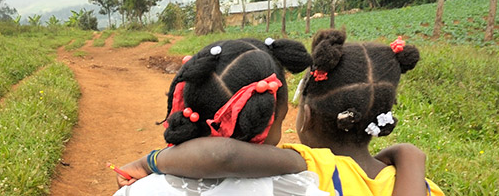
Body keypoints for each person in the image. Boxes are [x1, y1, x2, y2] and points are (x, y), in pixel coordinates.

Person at [114, 31, 441, 196]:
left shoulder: (312, 168)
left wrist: (150, 161)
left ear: (306, 116)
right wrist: (409, 155)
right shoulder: (422, 186)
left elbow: (225, 156)